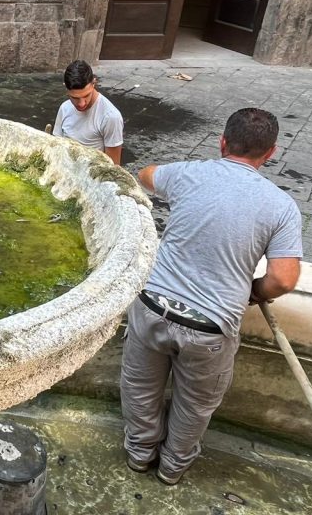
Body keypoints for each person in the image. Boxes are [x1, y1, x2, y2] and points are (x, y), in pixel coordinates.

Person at [120, 107, 302, 486]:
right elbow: (284, 279)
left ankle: (139, 456)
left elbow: (145, 174)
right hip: (210, 328)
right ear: (270, 153)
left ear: (222, 142)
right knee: (195, 406)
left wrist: (169, 179)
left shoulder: (190, 174)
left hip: (153, 307)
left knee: (140, 389)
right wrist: (253, 292)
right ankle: (171, 470)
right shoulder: (281, 206)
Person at [51, 60, 124, 165]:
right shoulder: (64, 108)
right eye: (75, 98)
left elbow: (114, 167)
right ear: (66, 88)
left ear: (94, 83)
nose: (81, 104)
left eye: (86, 96)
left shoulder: (111, 117)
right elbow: (56, 145)